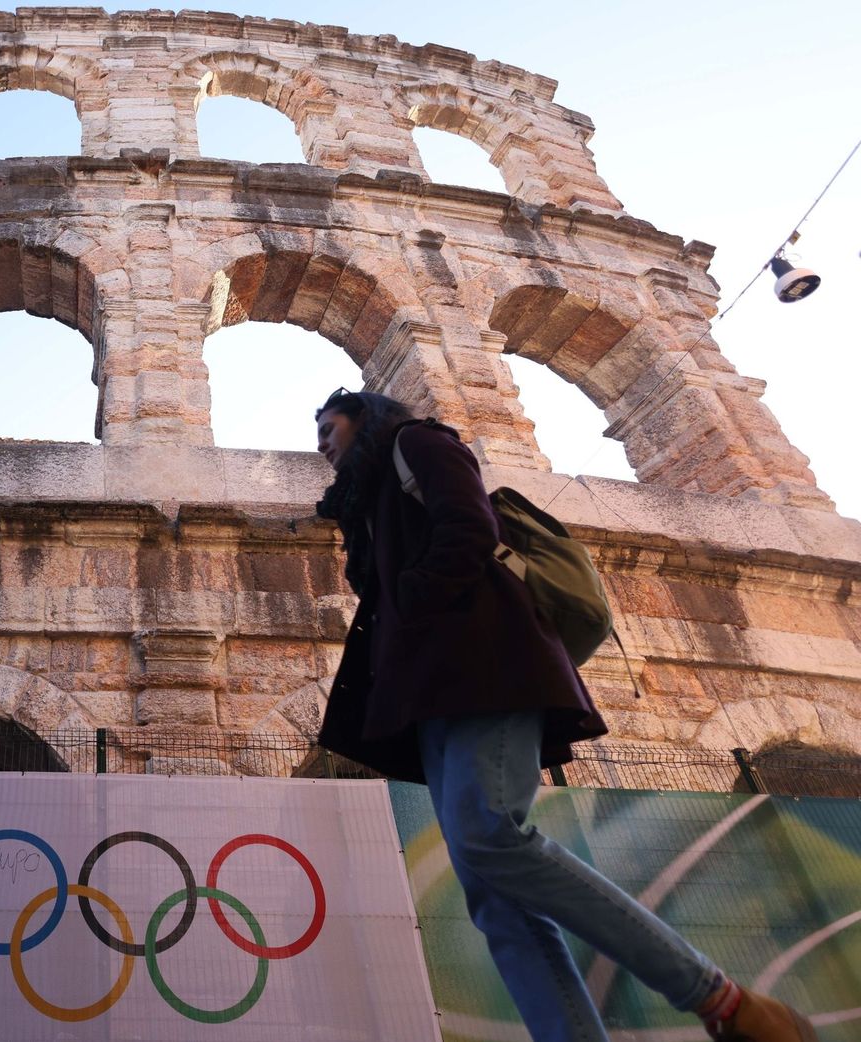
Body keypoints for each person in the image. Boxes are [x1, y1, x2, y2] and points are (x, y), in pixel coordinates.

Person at [310, 388, 818, 1042]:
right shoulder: (371, 503)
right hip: (431, 696)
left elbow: (470, 529)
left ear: (366, 417)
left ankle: (725, 1001)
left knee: (493, 836)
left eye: (330, 426)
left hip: (486, 668)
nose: (322, 441)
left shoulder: (419, 444)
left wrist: (411, 597)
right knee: (496, 900)